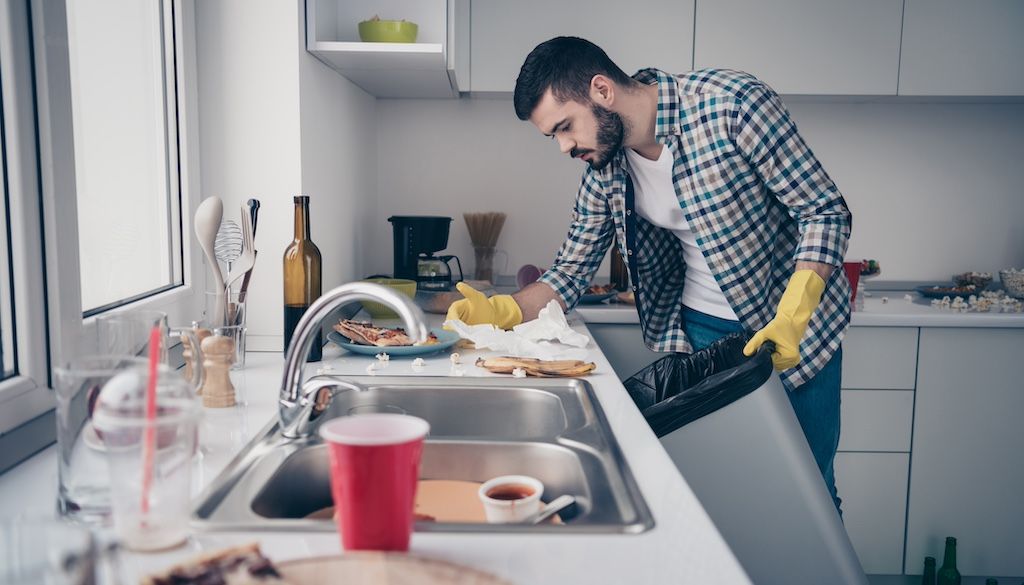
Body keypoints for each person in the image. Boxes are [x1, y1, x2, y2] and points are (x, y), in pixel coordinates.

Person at [447, 37, 852, 510]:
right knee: (727, 496)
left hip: (792, 333)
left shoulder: (733, 106)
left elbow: (824, 211)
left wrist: (794, 315)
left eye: (564, 128)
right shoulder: (606, 166)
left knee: (812, 492)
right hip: (702, 335)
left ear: (601, 91)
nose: (563, 147)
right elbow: (571, 271)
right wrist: (502, 309)